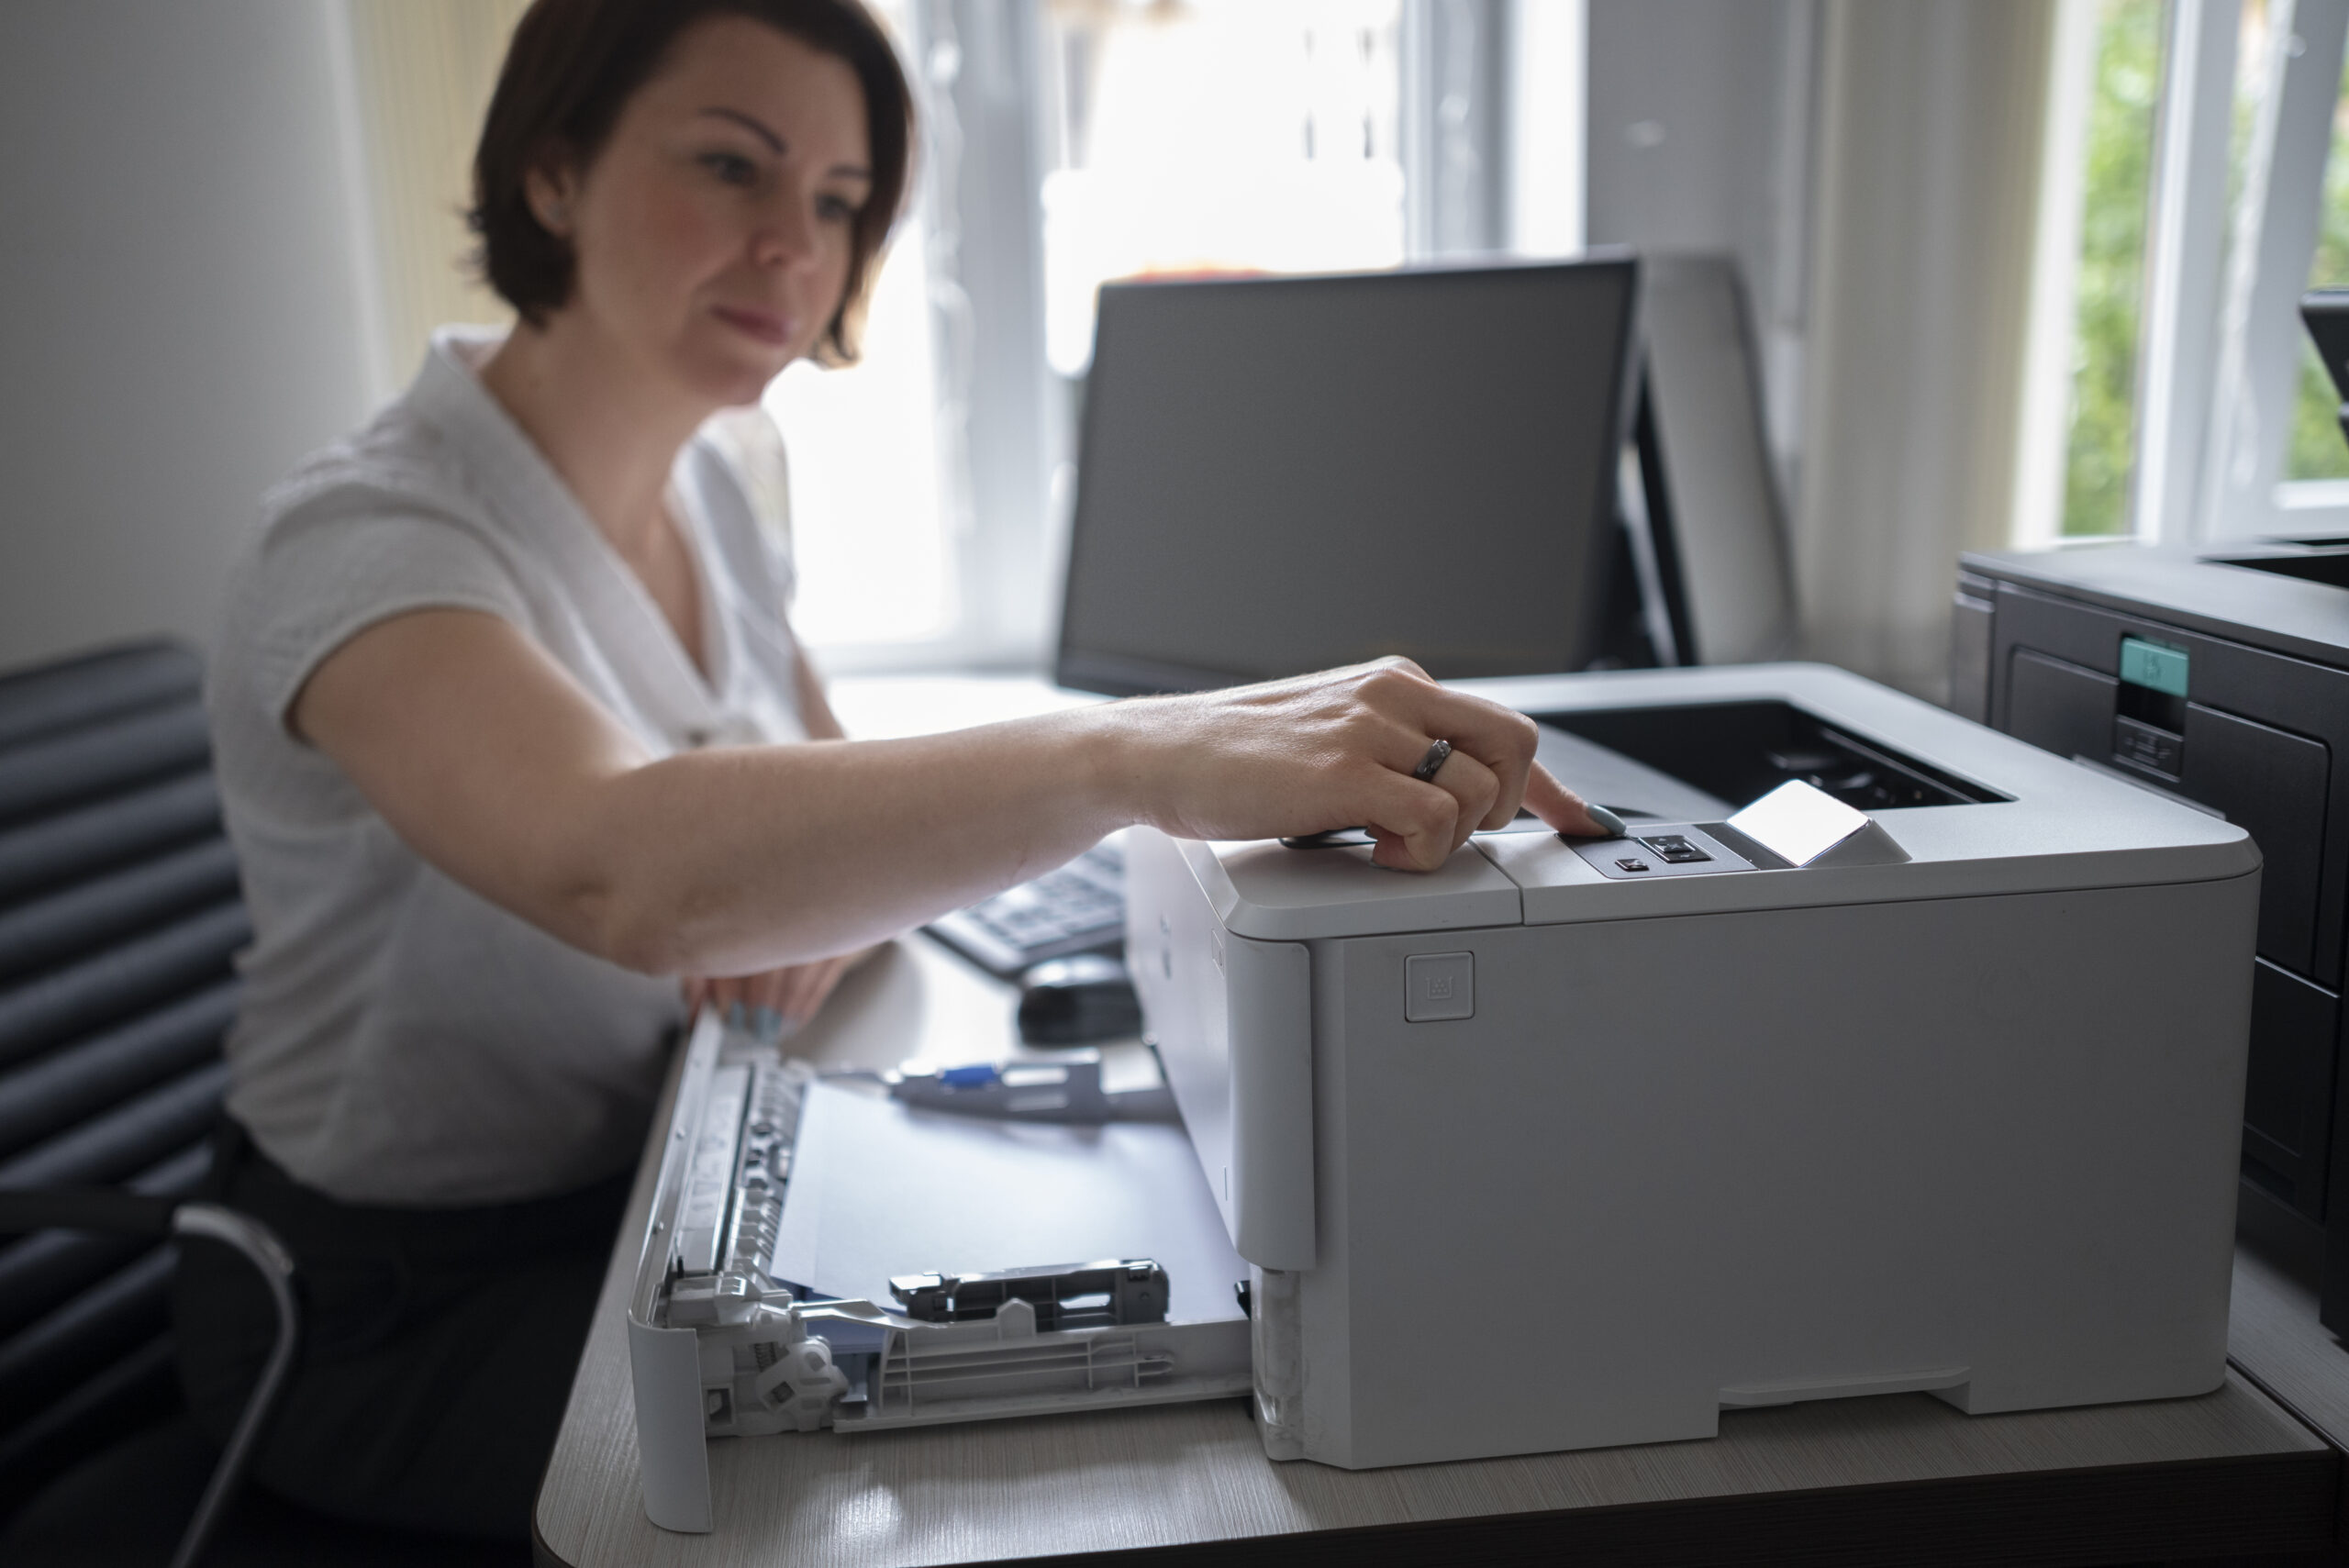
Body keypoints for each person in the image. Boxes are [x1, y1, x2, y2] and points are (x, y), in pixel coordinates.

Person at [176, 0, 1609, 1542]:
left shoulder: (712, 494)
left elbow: (812, 819)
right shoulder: (368, 542)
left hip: (656, 1182)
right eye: (733, 166)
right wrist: (1140, 754)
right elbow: (631, 868)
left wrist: (802, 900)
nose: (797, 241)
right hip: (383, 1299)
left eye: (840, 200)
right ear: (551, 173)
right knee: (923, 1498)